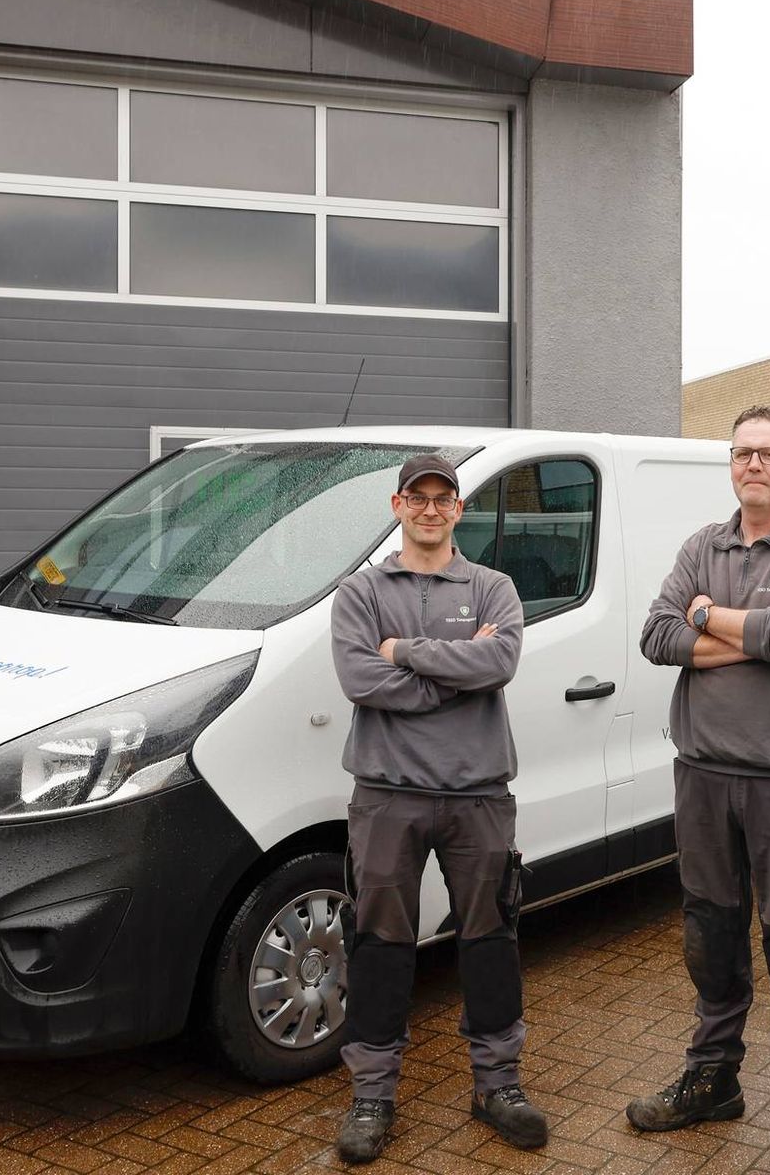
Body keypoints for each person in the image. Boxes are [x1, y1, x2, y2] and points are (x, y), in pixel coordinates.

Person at [629, 406, 770, 1132]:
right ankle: (713, 1078)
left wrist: (708, 617)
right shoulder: (705, 546)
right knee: (710, 931)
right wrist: (747, 630)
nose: (753, 464)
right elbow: (655, 637)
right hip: (703, 775)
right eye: (742, 453)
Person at [329, 453, 547, 1163]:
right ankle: (372, 1095)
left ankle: (498, 1085)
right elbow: (361, 678)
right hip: (386, 794)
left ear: (459, 508)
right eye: (416, 498)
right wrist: (454, 667)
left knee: (489, 941)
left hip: (478, 791)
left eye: (442, 498)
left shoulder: (495, 587)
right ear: (397, 506)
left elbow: (500, 663)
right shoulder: (360, 591)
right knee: (379, 943)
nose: (429, 509)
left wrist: (405, 652)